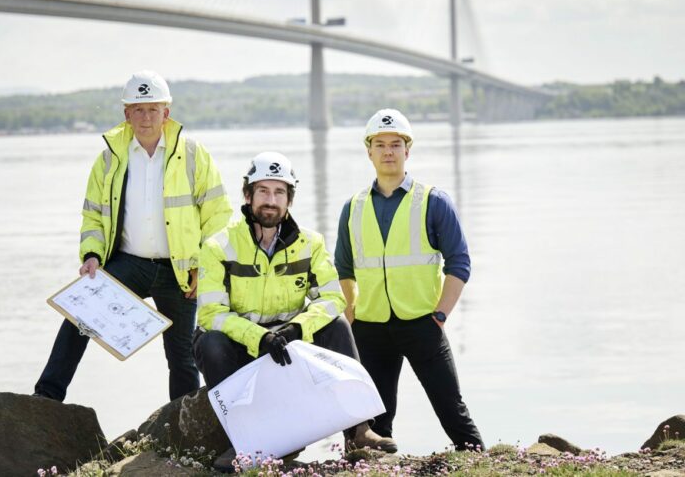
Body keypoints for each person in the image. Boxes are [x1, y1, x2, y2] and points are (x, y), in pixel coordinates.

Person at [33, 70, 232, 402]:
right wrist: (92, 256)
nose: (146, 117)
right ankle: (46, 398)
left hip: (180, 270)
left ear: (166, 113)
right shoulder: (110, 158)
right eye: (138, 110)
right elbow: (93, 214)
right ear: (126, 114)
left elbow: (218, 217)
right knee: (79, 316)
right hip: (128, 264)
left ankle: (181, 430)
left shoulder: (194, 154)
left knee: (182, 356)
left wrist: (206, 268)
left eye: (153, 109)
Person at [194, 151, 397, 471]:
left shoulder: (310, 243)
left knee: (338, 326)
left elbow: (333, 299)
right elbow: (210, 313)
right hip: (245, 347)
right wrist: (258, 337)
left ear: (289, 200)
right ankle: (244, 443)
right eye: (262, 191)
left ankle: (358, 431)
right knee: (211, 340)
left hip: (289, 345)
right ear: (247, 196)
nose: (270, 200)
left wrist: (297, 329)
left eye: (279, 192)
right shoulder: (218, 246)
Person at [334, 108, 483, 451]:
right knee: (371, 427)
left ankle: (479, 466)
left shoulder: (433, 201)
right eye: (381, 144)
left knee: (454, 415)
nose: (388, 151)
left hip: (423, 324)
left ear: (407, 150)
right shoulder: (352, 207)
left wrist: (441, 314)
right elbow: (343, 267)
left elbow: (459, 263)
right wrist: (352, 308)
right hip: (370, 329)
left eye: (396, 144)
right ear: (369, 151)